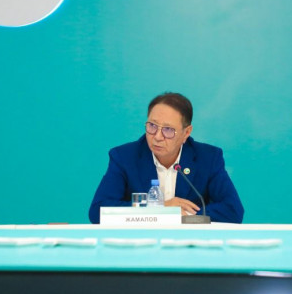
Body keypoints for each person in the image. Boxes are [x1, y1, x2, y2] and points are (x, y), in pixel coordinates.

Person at [89, 92, 244, 223]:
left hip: (189, 243)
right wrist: (160, 209)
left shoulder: (208, 158)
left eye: (168, 130)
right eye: (152, 126)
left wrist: (180, 216)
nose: (157, 136)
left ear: (186, 133)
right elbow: (98, 211)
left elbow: (233, 210)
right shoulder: (124, 157)